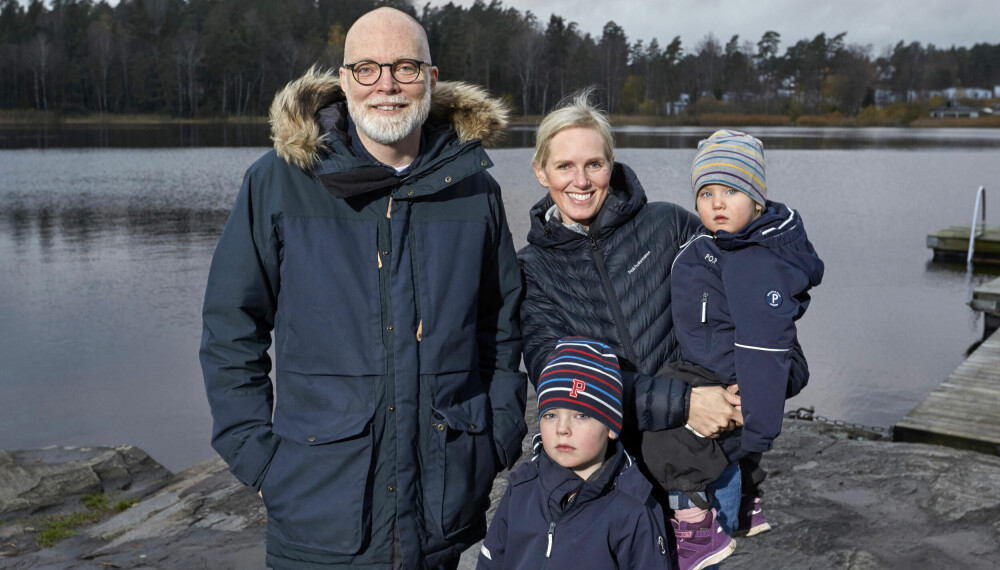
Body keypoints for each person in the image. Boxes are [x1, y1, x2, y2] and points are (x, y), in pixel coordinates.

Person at [199, 7, 527, 569]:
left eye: (405, 67)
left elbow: (501, 328)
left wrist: (495, 436)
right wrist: (255, 455)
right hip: (318, 508)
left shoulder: (474, 190)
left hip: (440, 506)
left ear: (431, 76)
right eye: (368, 69)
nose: (388, 85)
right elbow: (232, 327)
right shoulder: (278, 183)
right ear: (345, 80)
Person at [517, 92, 811, 568]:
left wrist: (764, 383)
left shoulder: (670, 226)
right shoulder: (532, 270)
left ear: (611, 165)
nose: (580, 180)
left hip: (701, 465)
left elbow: (756, 300)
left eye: (594, 164)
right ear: (540, 171)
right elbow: (560, 381)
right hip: (611, 480)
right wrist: (689, 403)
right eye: (564, 165)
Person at [640, 130, 825, 570]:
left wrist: (759, 425)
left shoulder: (751, 259)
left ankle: (695, 526)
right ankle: (746, 497)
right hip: (707, 359)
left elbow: (764, 344)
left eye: (732, 191)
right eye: (706, 193)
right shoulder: (718, 245)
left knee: (666, 441)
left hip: (717, 370)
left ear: (757, 202)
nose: (717, 203)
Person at [477, 337, 672, 569]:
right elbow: (491, 562)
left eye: (581, 415)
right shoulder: (521, 489)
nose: (562, 429)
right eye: (551, 415)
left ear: (610, 426)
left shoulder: (634, 508)